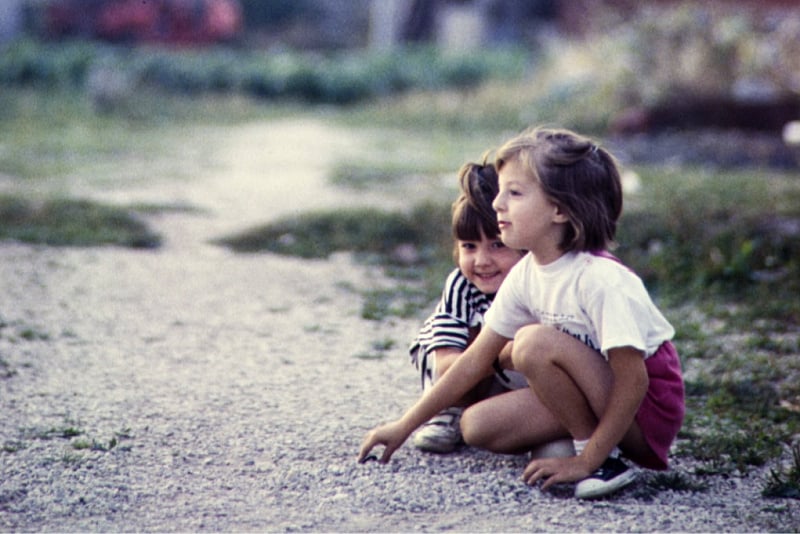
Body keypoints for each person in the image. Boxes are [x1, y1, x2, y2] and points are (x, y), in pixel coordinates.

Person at [358, 127, 685, 500]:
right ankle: (570, 443)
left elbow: (634, 382)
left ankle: (597, 457)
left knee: (529, 343)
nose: (497, 204)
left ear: (559, 210)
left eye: (514, 193)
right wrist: (404, 425)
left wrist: (587, 459)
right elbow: (473, 362)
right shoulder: (528, 273)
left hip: (644, 416)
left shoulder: (600, 279)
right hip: (597, 394)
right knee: (476, 425)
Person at [409, 160, 527, 454]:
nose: (482, 260)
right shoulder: (463, 286)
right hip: (462, 376)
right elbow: (446, 366)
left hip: (507, 376)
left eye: (497, 245)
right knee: (472, 331)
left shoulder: (534, 282)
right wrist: (505, 353)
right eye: (469, 247)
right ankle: (447, 411)